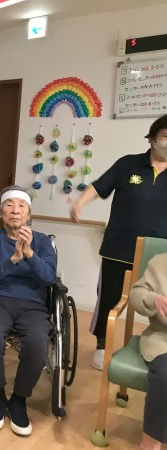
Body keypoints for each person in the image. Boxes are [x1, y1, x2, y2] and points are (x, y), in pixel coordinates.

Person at [70, 115, 167, 370]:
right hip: (118, 248)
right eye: (165, 136)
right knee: (109, 299)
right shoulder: (128, 164)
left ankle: (158, 346)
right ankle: (102, 345)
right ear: (152, 139)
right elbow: (99, 186)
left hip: (160, 256)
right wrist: (80, 202)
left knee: (159, 301)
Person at [0, 186, 56, 436]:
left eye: (21, 206)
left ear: (29, 214)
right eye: (9, 205)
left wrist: (29, 254)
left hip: (33, 305)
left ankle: (19, 399)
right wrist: (12, 259)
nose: (15, 210)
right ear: (1, 212)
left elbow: (49, 278)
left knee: (37, 342)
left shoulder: (42, 242)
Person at [129, 253, 167, 450]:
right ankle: (150, 443)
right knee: (165, 376)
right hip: (162, 338)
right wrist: (154, 299)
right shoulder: (160, 262)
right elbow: (136, 294)